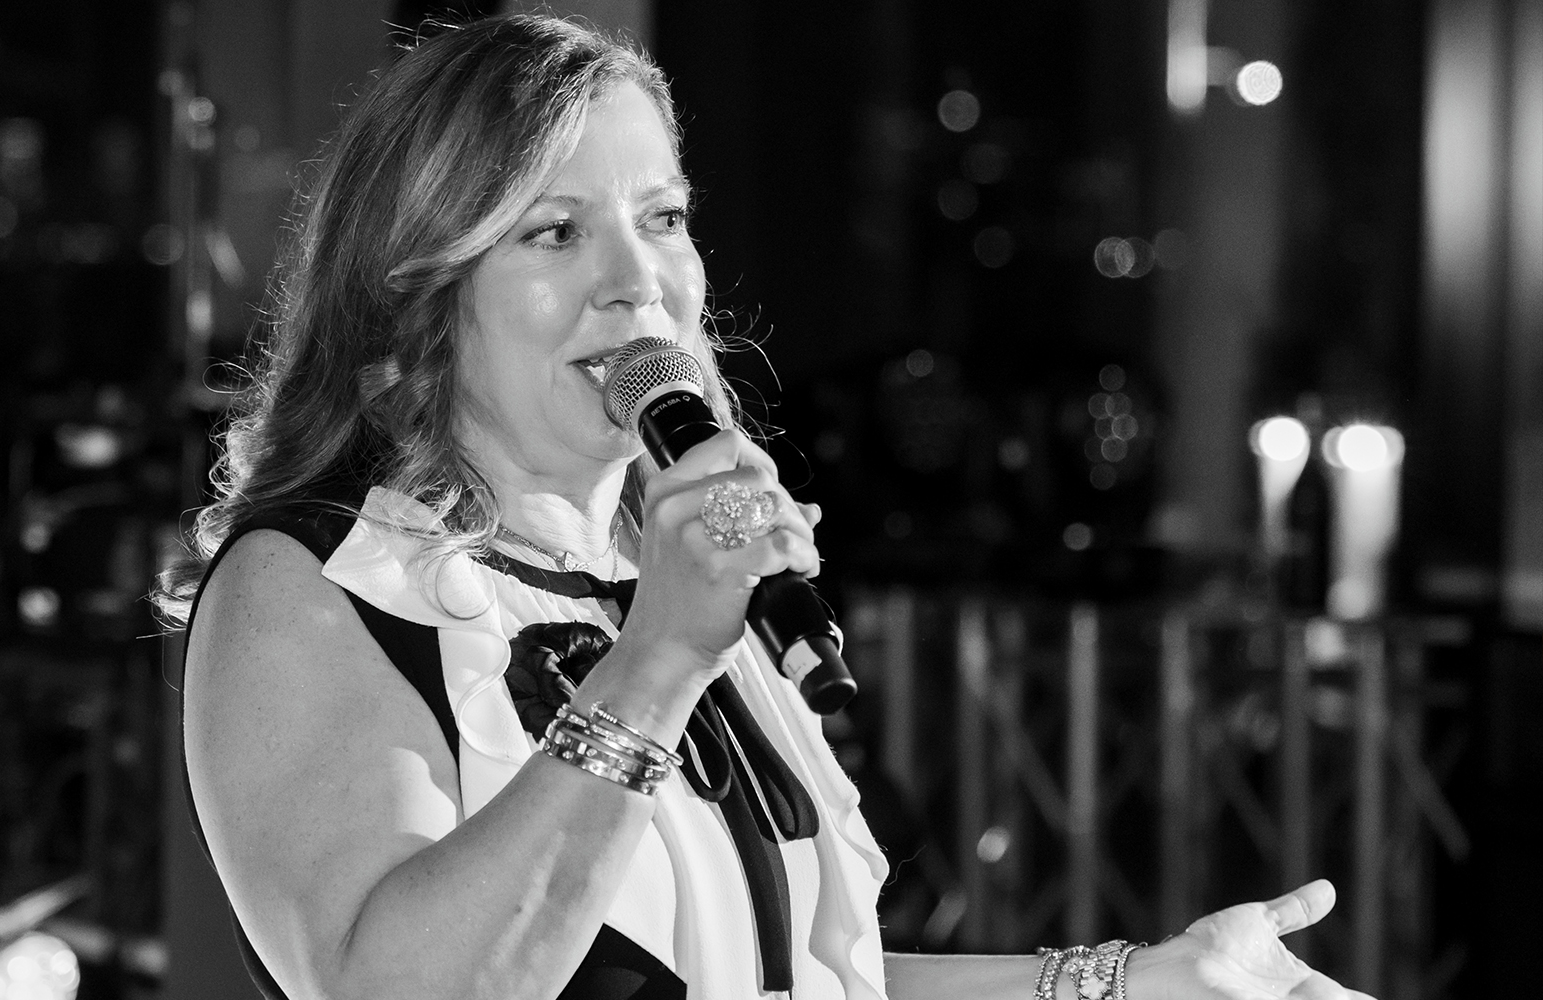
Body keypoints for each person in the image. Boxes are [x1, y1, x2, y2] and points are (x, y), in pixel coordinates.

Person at [162, 15, 1372, 1000]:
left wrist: (1122, 982)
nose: (638, 283)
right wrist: (655, 666)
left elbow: (779, 975)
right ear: (418, 292)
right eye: (555, 231)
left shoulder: (670, 581)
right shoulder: (321, 585)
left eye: (664, 219)